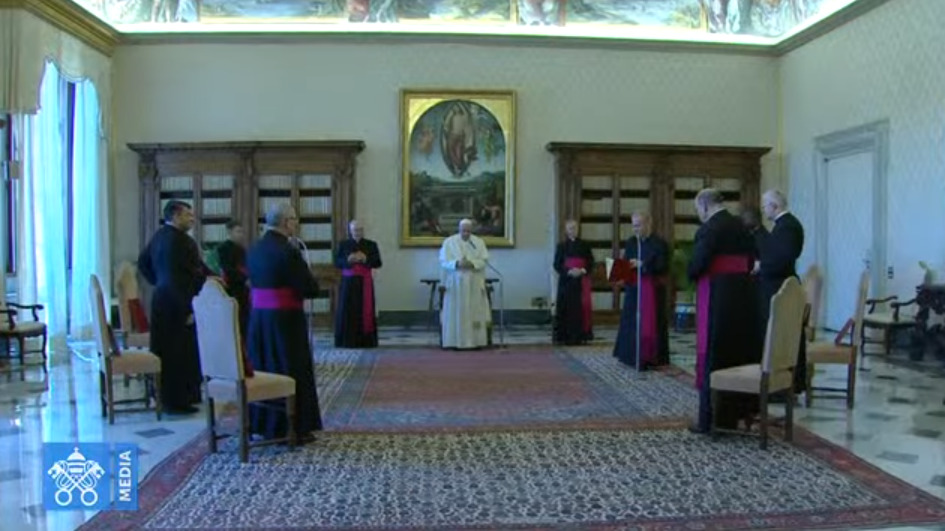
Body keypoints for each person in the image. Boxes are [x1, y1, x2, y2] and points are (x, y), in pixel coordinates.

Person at [687, 189, 762, 433]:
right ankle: (740, 414)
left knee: (714, 353)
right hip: (743, 296)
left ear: (704, 206)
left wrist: (692, 273)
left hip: (717, 296)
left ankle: (711, 418)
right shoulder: (741, 225)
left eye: (698, 209)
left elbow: (697, 265)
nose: (698, 214)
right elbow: (753, 258)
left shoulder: (709, 229)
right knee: (739, 352)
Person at [246, 203, 322, 442]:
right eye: (294, 219)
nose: (296, 223)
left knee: (263, 367)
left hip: (259, 320)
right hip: (285, 321)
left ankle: (262, 423)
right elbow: (310, 288)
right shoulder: (289, 251)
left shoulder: (254, 248)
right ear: (285, 222)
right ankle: (292, 428)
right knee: (288, 368)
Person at [137, 200, 209, 414]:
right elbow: (193, 275)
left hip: (161, 300)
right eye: (188, 215)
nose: (192, 219)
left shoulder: (158, 236)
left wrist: (158, 282)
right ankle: (178, 402)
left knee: (165, 351)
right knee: (180, 354)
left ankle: (166, 397)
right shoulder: (184, 242)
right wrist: (190, 307)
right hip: (180, 303)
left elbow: (143, 263)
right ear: (176, 216)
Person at [757, 189, 807, 394]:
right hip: (780, 285)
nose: (763, 210)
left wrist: (761, 266)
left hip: (779, 286)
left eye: (765, 206)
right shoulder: (784, 225)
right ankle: (783, 383)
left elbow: (782, 259)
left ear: (774, 206)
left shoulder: (787, 227)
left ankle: (785, 384)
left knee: (782, 337)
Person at [612, 212, 671, 369]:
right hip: (634, 289)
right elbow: (624, 264)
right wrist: (620, 272)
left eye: (638, 225)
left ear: (648, 223)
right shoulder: (632, 242)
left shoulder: (660, 244)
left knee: (651, 323)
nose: (635, 229)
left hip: (652, 291)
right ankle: (630, 356)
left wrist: (643, 264)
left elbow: (663, 266)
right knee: (631, 322)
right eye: (633, 225)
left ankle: (650, 356)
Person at [439, 219, 491, 349]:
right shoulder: (449, 242)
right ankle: (453, 341)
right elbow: (444, 262)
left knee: (474, 311)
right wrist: (456, 263)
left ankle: (475, 341)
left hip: (474, 281)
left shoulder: (478, 242)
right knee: (456, 312)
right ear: (459, 229)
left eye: (468, 231)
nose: (466, 233)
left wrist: (472, 263)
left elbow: (484, 260)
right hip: (456, 283)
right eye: (463, 231)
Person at [334, 219, 382, 348]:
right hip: (348, 285)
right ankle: (347, 341)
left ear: (363, 230)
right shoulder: (343, 244)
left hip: (365, 283)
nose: (357, 232)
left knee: (365, 312)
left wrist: (365, 258)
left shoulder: (371, 245)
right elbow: (337, 262)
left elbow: (378, 262)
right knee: (347, 311)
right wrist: (348, 259)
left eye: (360, 230)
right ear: (350, 231)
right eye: (355, 230)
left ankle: (366, 341)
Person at [553, 220, 594, 345]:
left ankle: (580, 336)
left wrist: (582, 270)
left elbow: (591, 262)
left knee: (580, 309)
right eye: (570, 228)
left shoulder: (585, 245)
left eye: (575, 228)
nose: (573, 230)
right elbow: (557, 264)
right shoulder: (561, 246)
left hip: (581, 282)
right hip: (566, 282)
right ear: (566, 230)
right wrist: (569, 271)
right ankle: (564, 336)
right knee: (565, 308)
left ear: (578, 229)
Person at [216, 219, 249, 339]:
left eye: (242, 232)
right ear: (230, 232)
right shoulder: (223, 248)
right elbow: (227, 270)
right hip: (232, 288)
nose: (241, 235)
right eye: (238, 231)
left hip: (244, 289)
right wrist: (244, 279)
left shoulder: (241, 249)